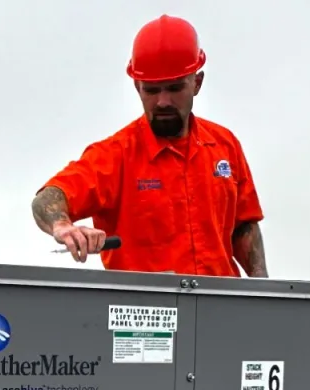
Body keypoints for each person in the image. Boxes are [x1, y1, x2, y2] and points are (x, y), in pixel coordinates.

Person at [31, 14, 268, 278]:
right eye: (152, 90)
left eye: (174, 88)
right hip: (145, 313)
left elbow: (244, 227)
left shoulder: (225, 146)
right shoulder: (115, 155)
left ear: (197, 83)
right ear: (137, 87)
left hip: (220, 307)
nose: (163, 101)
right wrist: (62, 225)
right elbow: (48, 197)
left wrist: (263, 294)